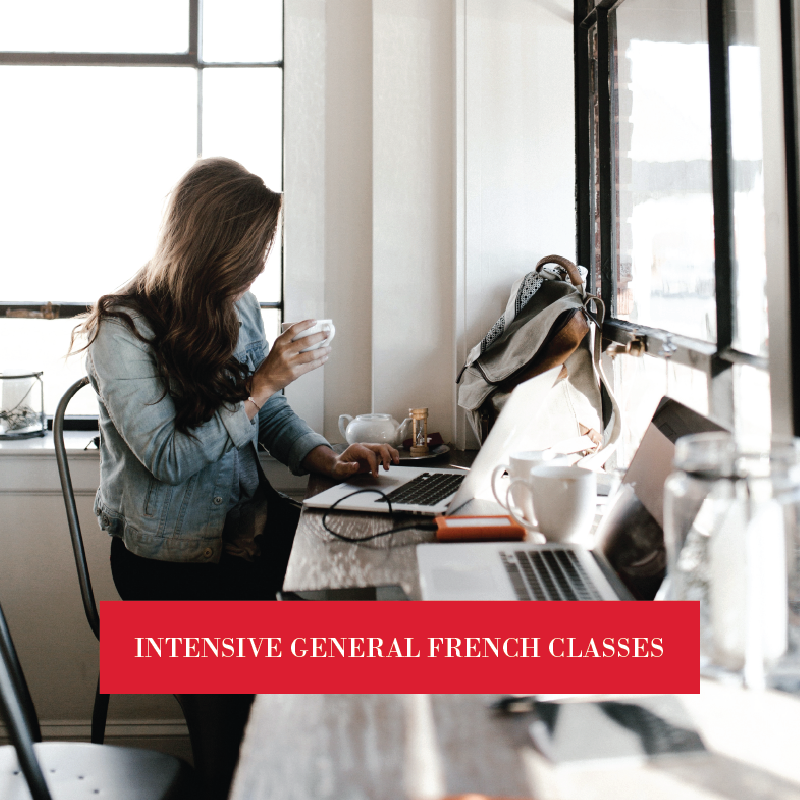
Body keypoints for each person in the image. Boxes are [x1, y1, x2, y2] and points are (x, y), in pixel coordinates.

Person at [70, 157, 398, 798]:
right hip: (169, 565)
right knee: (238, 731)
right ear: (211, 246)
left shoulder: (238, 307)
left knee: (374, 580)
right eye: (254, 251)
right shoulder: (121, 331)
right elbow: (167, 457)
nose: (260, 267)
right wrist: (260, 385)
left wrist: (326, 459)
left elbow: (269, 412)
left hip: (247, 531)